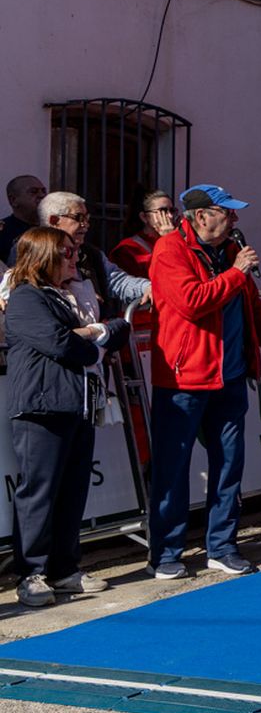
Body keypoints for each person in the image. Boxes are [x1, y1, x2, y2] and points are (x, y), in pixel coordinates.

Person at [145, 185, 261, 579]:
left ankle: (221, 546)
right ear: (202, 215)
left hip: (230, 374)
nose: (236, 219)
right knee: (173, 469)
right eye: (228, 212)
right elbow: (192, 302)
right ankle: (167, 553)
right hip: (184, 377)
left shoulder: (227, 252)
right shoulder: (170, 250)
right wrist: (236, 272)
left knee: (229, 465)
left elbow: (251, 301)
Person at [4, 227, 129, 606]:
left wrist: (90, 331)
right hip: (42, 405)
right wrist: (95, 340)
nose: (75, 258)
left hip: (78, 402)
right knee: (39, 491)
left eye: (74, 252)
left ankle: (64, 569)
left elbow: (119, 327)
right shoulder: (26, 297)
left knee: (73, 489)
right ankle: (32, 573)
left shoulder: (74, 294)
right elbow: (58, 343)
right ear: (43, 257)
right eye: (66, 253)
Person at [37, 192, 150, 316]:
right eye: (79, 218)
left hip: (98, 330)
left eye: (87, 218)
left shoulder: (92, 254)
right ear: (54, 220)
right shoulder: (31, 251)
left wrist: (149, 287)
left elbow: (117, 280)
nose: (86, 224)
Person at [109, 190, 177, 278]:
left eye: (172, 210)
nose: (170, 216)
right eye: (162, 211)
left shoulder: (177, 238)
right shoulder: (126, 250)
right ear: (144, 217)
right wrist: (169, 240)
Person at [1, 175, 47, 262]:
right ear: (13, 200)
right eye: (34, 192)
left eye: (44, 191)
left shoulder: (53, 229)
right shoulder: (3, 232)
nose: (41, 195)